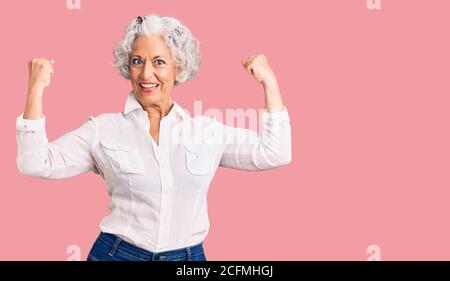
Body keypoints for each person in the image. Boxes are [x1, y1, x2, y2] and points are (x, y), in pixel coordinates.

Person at [16, 13, 292, 261]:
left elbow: (274, 152)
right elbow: (36, 162)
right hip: (116, 255)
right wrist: (35, 90)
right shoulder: (102, 129)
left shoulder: (207, 132)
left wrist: (269, 83)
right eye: (138, 61)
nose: (146, 74)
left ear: (179, 67)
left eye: (159, 62)